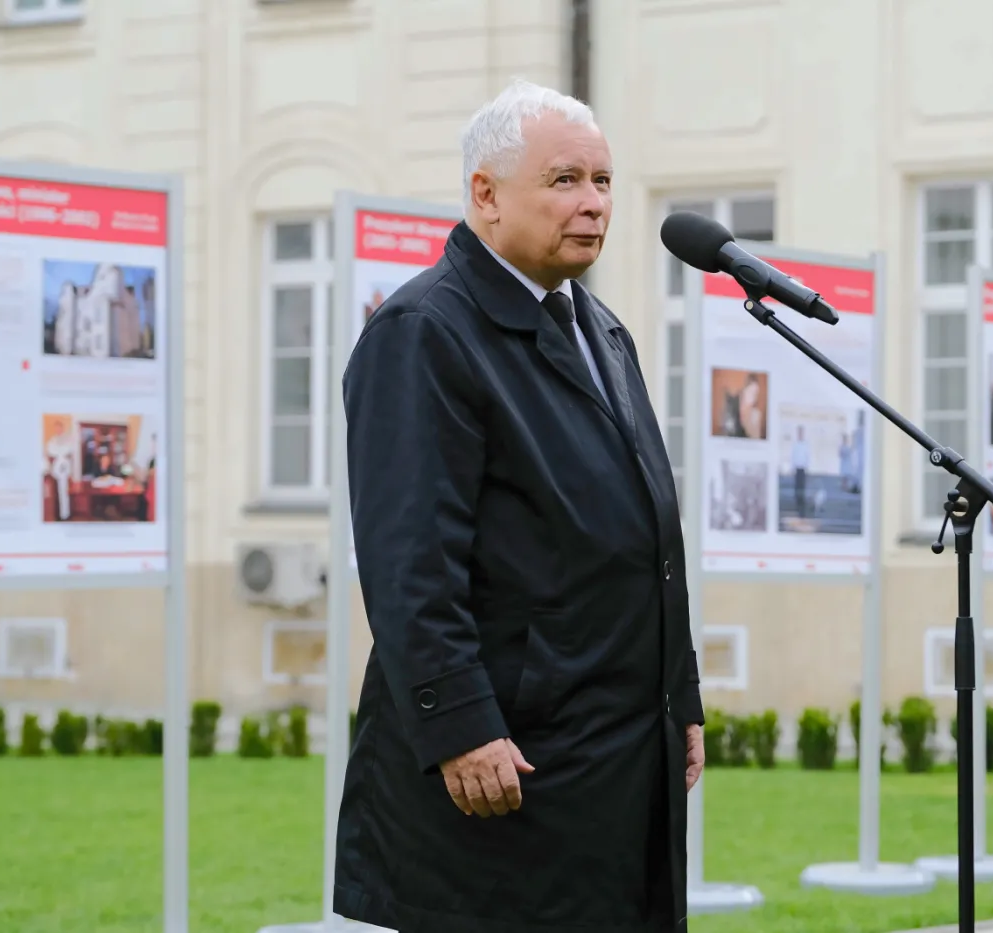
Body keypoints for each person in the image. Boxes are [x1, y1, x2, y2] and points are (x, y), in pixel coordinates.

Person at [333, 79, 706, 933]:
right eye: (565, 179)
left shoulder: (600, 328)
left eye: (604, 181)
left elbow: (649, 532)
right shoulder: (425, 330)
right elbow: (409, 559)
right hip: (508, 762)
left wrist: (676, 695)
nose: (593, 204)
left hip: (613, 752)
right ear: (485, 195)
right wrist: (458, 724)